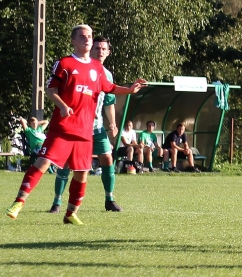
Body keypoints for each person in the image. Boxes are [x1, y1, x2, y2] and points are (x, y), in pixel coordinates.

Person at [7, 25, 146, 224]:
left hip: (86, 130)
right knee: (44, 162)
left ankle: (71, 213)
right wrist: (63, 106)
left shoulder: (97, 68)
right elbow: (50, 90)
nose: (87, 39)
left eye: (89, 36)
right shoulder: (64, 63)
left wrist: (130, 90)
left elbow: (110, 88)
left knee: (82, 172)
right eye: (82, 36)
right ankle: (19, 202)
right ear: (73, 41)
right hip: (63, 127)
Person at [50, 36, 128, 213]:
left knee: (107, 158)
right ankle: (57, 202)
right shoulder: (76, 67)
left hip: (96, 127)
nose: (100, 51)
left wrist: (113, 124)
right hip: (75, 126)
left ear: (108, 52)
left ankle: (109, 199)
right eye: (96, 48)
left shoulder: (107, 74)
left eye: (103, 49)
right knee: (67, 164)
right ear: (90, 50)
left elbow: (109, 101)